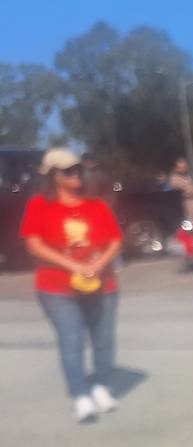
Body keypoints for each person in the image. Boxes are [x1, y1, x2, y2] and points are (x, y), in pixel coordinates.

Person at [19, 148, 124, 423]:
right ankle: (80, 395)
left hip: (102, 284)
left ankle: (101, 385)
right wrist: (74, 266)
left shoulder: (96, 205)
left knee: (103, 340)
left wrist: (99, 264)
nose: (76, 174)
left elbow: (115, 240)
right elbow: (34, 244)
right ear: (53, 176)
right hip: (56, 288)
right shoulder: (39, 205)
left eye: (78, 169)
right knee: (72, 340)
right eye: (68, 171)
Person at [167, 157, 193, 223]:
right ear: (176, 168)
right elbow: (187, 191)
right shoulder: (174, 178)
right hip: (186, 204)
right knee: (191, 223)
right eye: (182, 167)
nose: (185, 168)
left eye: (185, 166)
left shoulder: (188, 176)